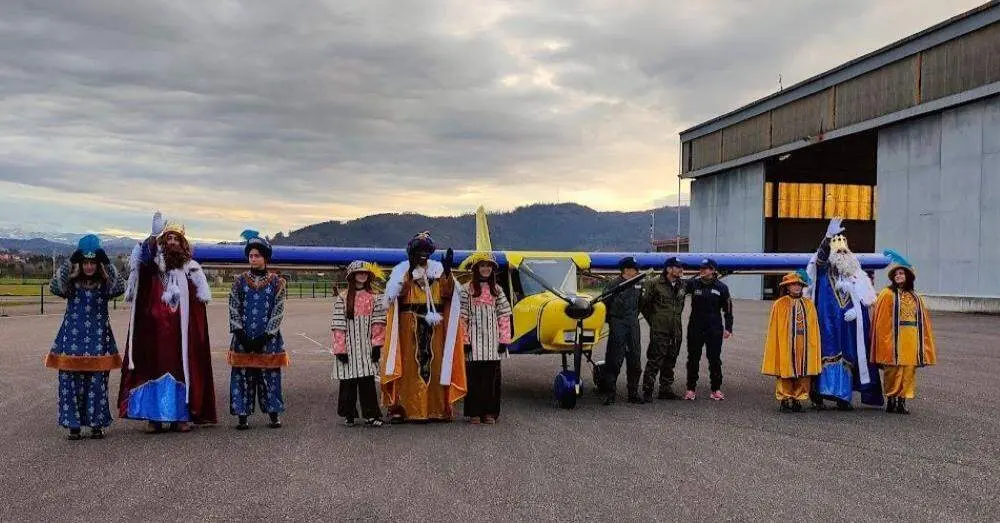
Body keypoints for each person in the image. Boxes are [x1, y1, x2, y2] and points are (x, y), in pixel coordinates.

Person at [118, 212, 217, 433]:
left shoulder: (191, 269)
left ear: (182, 244)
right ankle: (154, 417)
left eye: (176, 239)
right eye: (168, 238)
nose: (171, 242)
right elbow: (143, 261)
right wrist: (153, 236)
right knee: (152, 367)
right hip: (153, 330)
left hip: (181, 334)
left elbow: (197, 305)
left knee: (182, 368)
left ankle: (181, 416)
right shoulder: (154, 265)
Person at [378, 231, 466, 422]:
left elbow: (449, 294)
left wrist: (449, 272)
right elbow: (397, 295)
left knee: (435, 365)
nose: (423, 254)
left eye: (427, 250)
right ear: (412, 252)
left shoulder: (439, 270)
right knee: (410, 366)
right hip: (409, 325)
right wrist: (409, 272)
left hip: (436, 327)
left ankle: (436, 408)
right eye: (419, 250)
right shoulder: (402, 271)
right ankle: (405, 408)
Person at [45, 235, 125, 440]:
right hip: (72, 340)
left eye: (93, 262)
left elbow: (120, 286)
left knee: (97, 382)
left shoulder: (104, 285)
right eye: (85, 262)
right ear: (80, 264)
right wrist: (71, 261)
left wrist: (108, 262)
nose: (89, 266)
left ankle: (96, 424)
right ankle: (74, 425)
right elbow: (55, 286)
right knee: (71, 381)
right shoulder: (71, 285)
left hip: (98, 340)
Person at [804, 218, 883, 410]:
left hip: (848, 326)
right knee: (824, 353)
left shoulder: (855, 274)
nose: (840, 254)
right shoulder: (823, 270)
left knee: (848, 357)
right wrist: (828, 237)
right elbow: (820, 257)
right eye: (837, 251)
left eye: (843, 251)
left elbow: (865, 301)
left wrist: (857, 311)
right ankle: (819, 393)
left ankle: (843, 397)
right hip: (826, 322)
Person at [227, 230, 289, 430]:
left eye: (257, 255)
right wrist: (239, 333)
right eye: (251, 256)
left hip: (268, 339)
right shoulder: (239, 281)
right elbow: (233, 306)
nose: (253, 259)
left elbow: (278, 309)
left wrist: (267, 334)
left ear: (265, 258)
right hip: (243, 338)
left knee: (269, 377)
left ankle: (273, 415)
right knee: (243, 376)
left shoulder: (277, 282)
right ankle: (242, 416)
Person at [870, 250, 936, 414]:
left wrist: (923, 344)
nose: (899, 275)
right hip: (893, 339)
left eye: (902, 273)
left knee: (907, 370)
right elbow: (882, 321)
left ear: (908, 276)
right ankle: (891, 399)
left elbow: (923, 322)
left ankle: (902, 401)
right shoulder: (887, 294)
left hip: (911, 339)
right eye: (897, 273)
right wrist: (884, 341)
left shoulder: (915, 297)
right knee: (893, 370)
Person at [459, 252, 512, 424]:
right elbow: (462, 317)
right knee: (474, 379)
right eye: (482, 265)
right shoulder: (467, 289)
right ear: (476, 268)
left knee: (491, 379)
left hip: (492, 343)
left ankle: (490, 412)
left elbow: (504, 316)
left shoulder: (497, 290)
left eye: (488, 266)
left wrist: (504, 340)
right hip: (474, 343)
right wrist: (464, 341)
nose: (486, 269)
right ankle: (474, 412)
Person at [331, 260, 386, 427]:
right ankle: (349, 414)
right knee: (348, 382)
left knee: (367, 382)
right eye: (358, 272)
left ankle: (371, 415)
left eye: (365, 273)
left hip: (366, 346)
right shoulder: (343, 297)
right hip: (348, 346)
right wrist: (340, 349)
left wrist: (377, 345)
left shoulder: (375, 297)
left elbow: (378, 322)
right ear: (352, 276)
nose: (362, 275)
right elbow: (338, 323)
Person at [762, 271, 821, 413]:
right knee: (785, 371)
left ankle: (798, 399)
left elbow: (814, 327)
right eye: (793, 284)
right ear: (787, 287)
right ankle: (784, 399)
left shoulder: (809, 305)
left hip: (804, 344)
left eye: (799, 285)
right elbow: (775, 329)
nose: (797, 287)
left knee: (803, 372)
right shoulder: (780, 304)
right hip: (786, 344)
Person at [683, 258, 733, 401]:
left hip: (714, 329)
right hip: (695, 328)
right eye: (701, 268)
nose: (702, 270)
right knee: (693, 359)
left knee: (715, 360)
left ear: (713, 270)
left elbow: (728, 309)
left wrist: (728, 327)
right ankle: (691, 389)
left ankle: (716, 389)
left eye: (706, 268)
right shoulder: (693, 284)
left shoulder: (722, 287)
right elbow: (677, 290)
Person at [640, 256, 686, 402]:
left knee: (671, 359)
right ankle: (648, 390)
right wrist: (654, 320)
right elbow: (644, 304)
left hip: (675, 329)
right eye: (677, 267)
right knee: (655, 359)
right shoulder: (654, 283)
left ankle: (665, 389)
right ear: (668, 269)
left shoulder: (682, 285)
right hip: (660, 329)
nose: (681, 270)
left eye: (681, 267)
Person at [601, 256, 645, 405]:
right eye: (634, 269)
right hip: (618, 324)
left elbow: (640, 305)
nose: (637, 271)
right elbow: (603, 305)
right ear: (626, 269)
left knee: (635, 361)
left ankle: (633, 393)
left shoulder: (639, 284)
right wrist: (613, 321)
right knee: (614, 360)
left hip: (633, 325)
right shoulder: (613, 285)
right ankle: (609, 393)